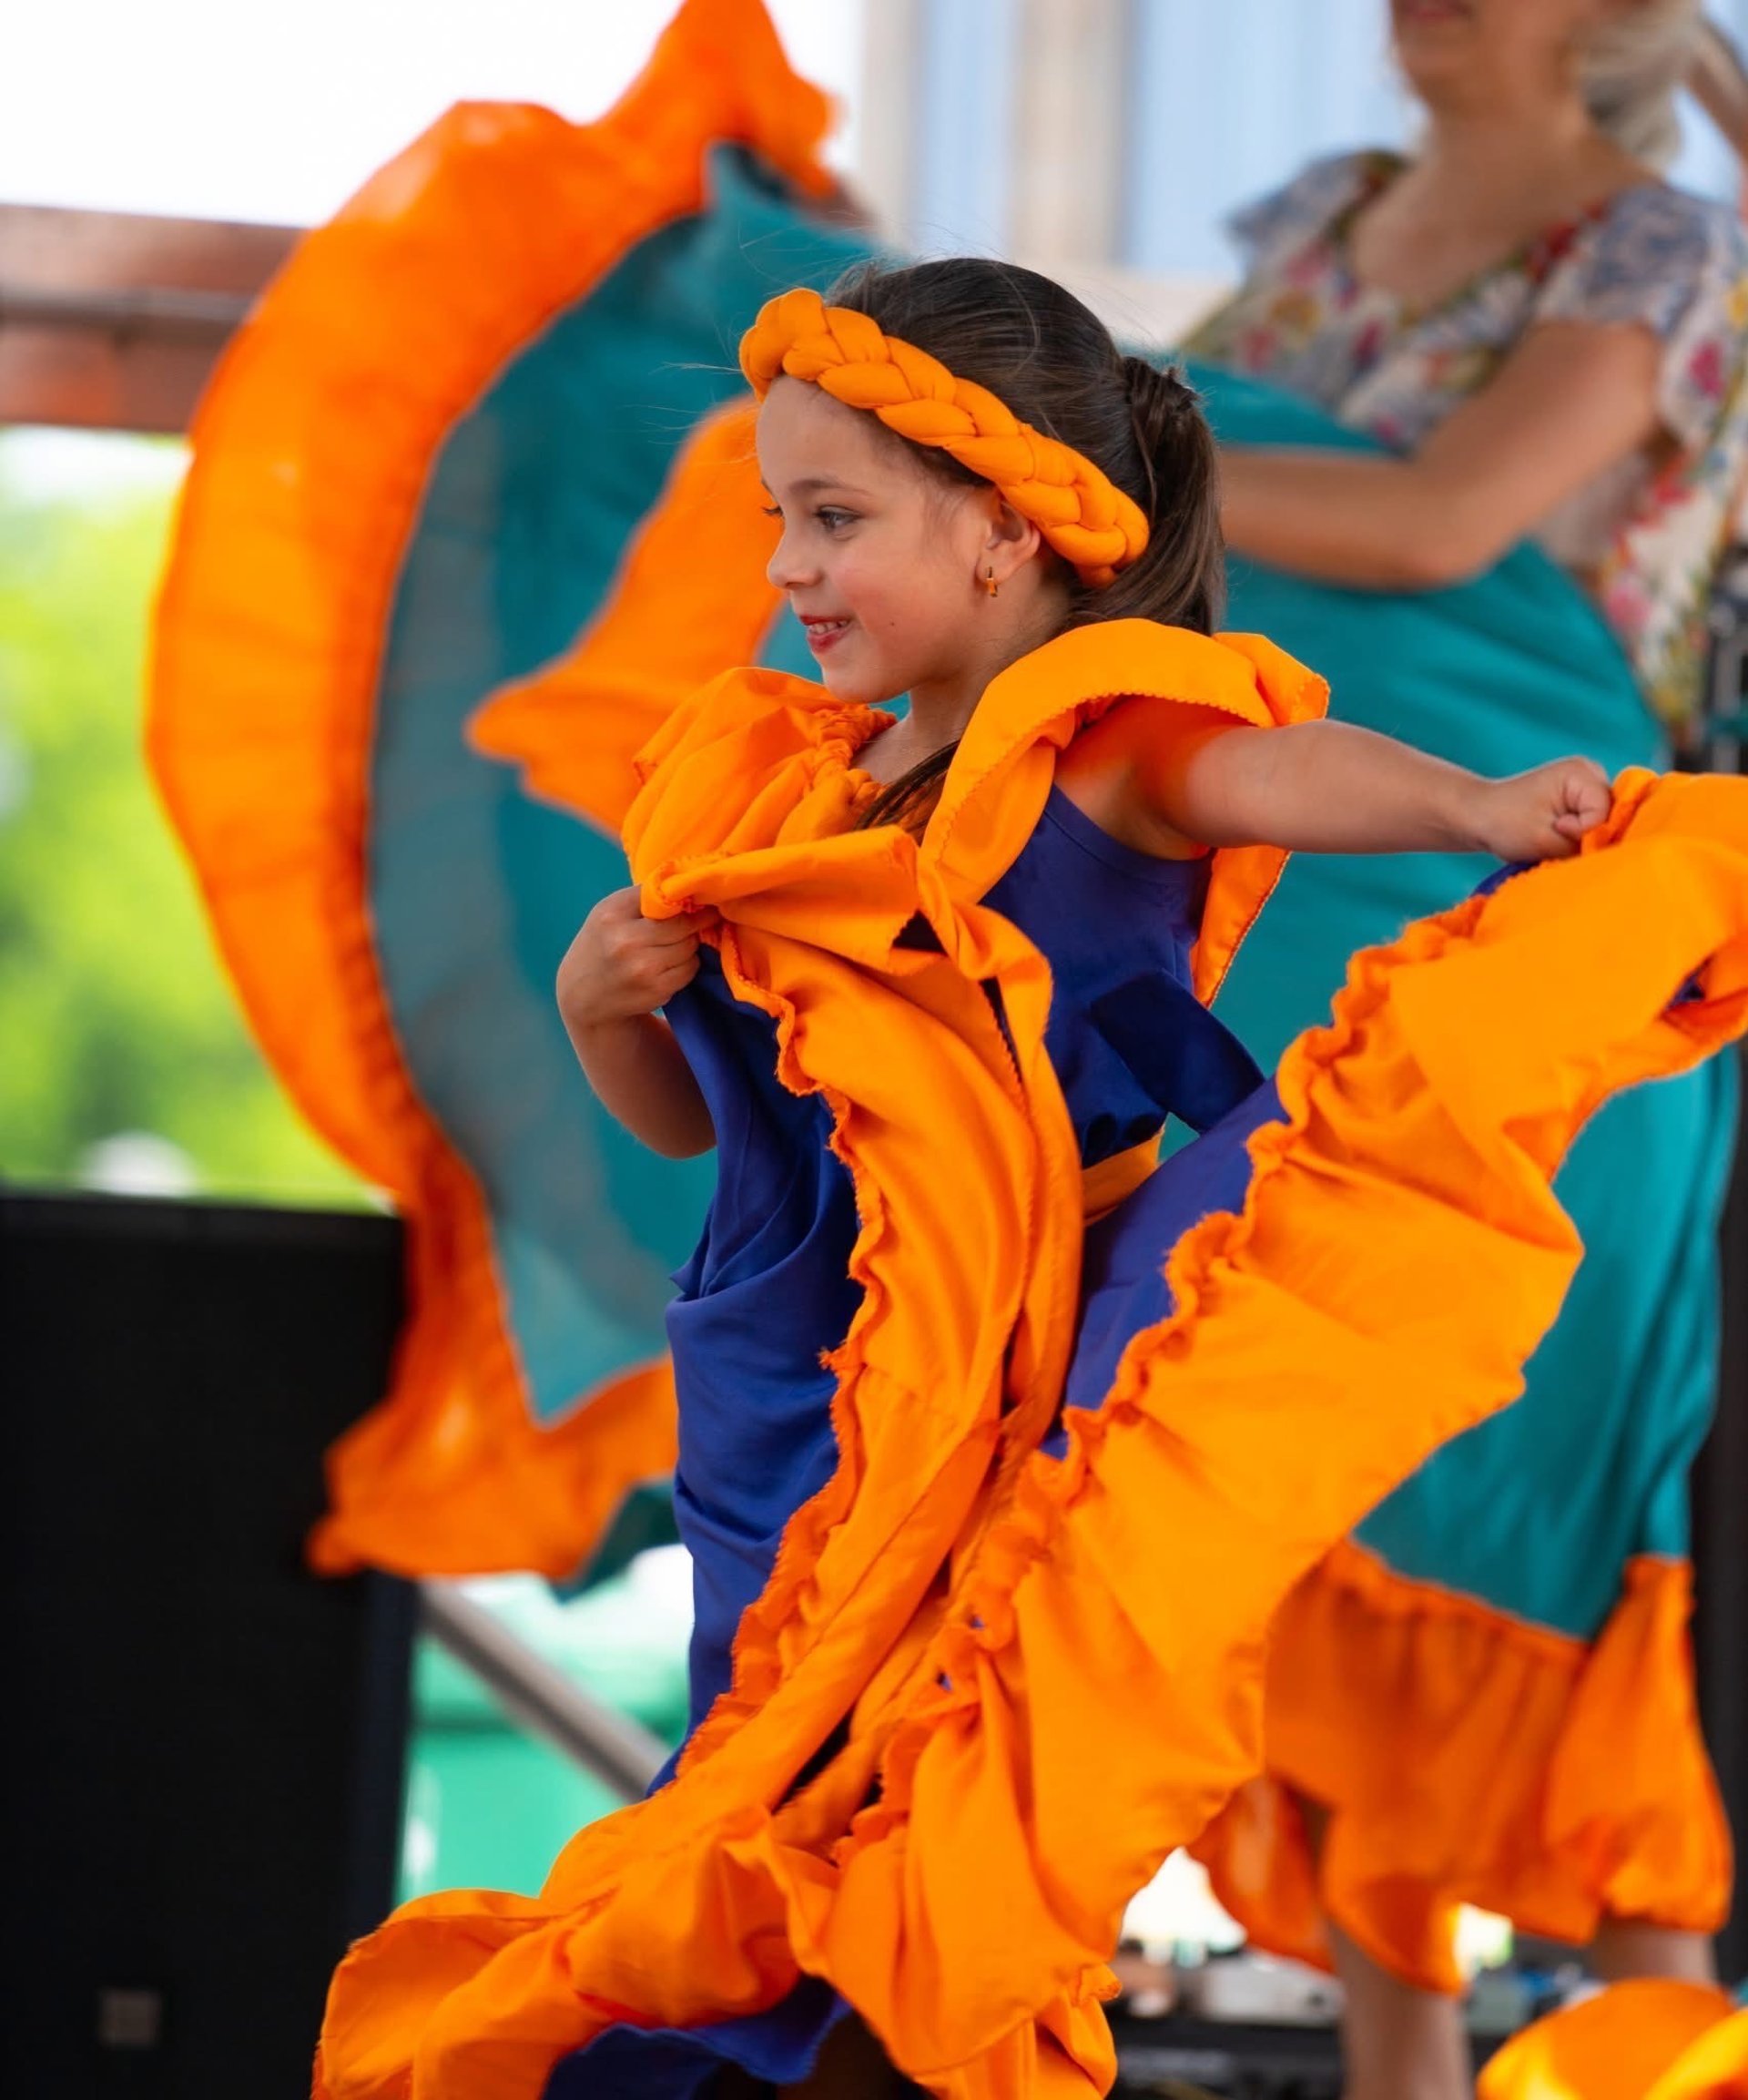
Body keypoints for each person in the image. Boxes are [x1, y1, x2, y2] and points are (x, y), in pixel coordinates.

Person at [314, 259, 1748, 2100]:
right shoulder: (791, 795)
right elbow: (711, 1134)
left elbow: (1273, 768)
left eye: (834, 518)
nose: (786, 567)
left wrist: (1471, 812)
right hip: (799, 1423)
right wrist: (610, 1021)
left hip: (1015, 1412)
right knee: (769, 1841)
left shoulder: (1107, 745)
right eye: (781, 519)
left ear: (1006, 532)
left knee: (934, 1871)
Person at [1182, 2, 1748, 2094]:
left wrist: (1049, 463)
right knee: (1308, 1500)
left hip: (1557, 945)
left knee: (1534, 1522)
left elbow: (1435, 533)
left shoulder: (1660, 255)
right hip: (1301, 920)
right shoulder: (1319, 225)